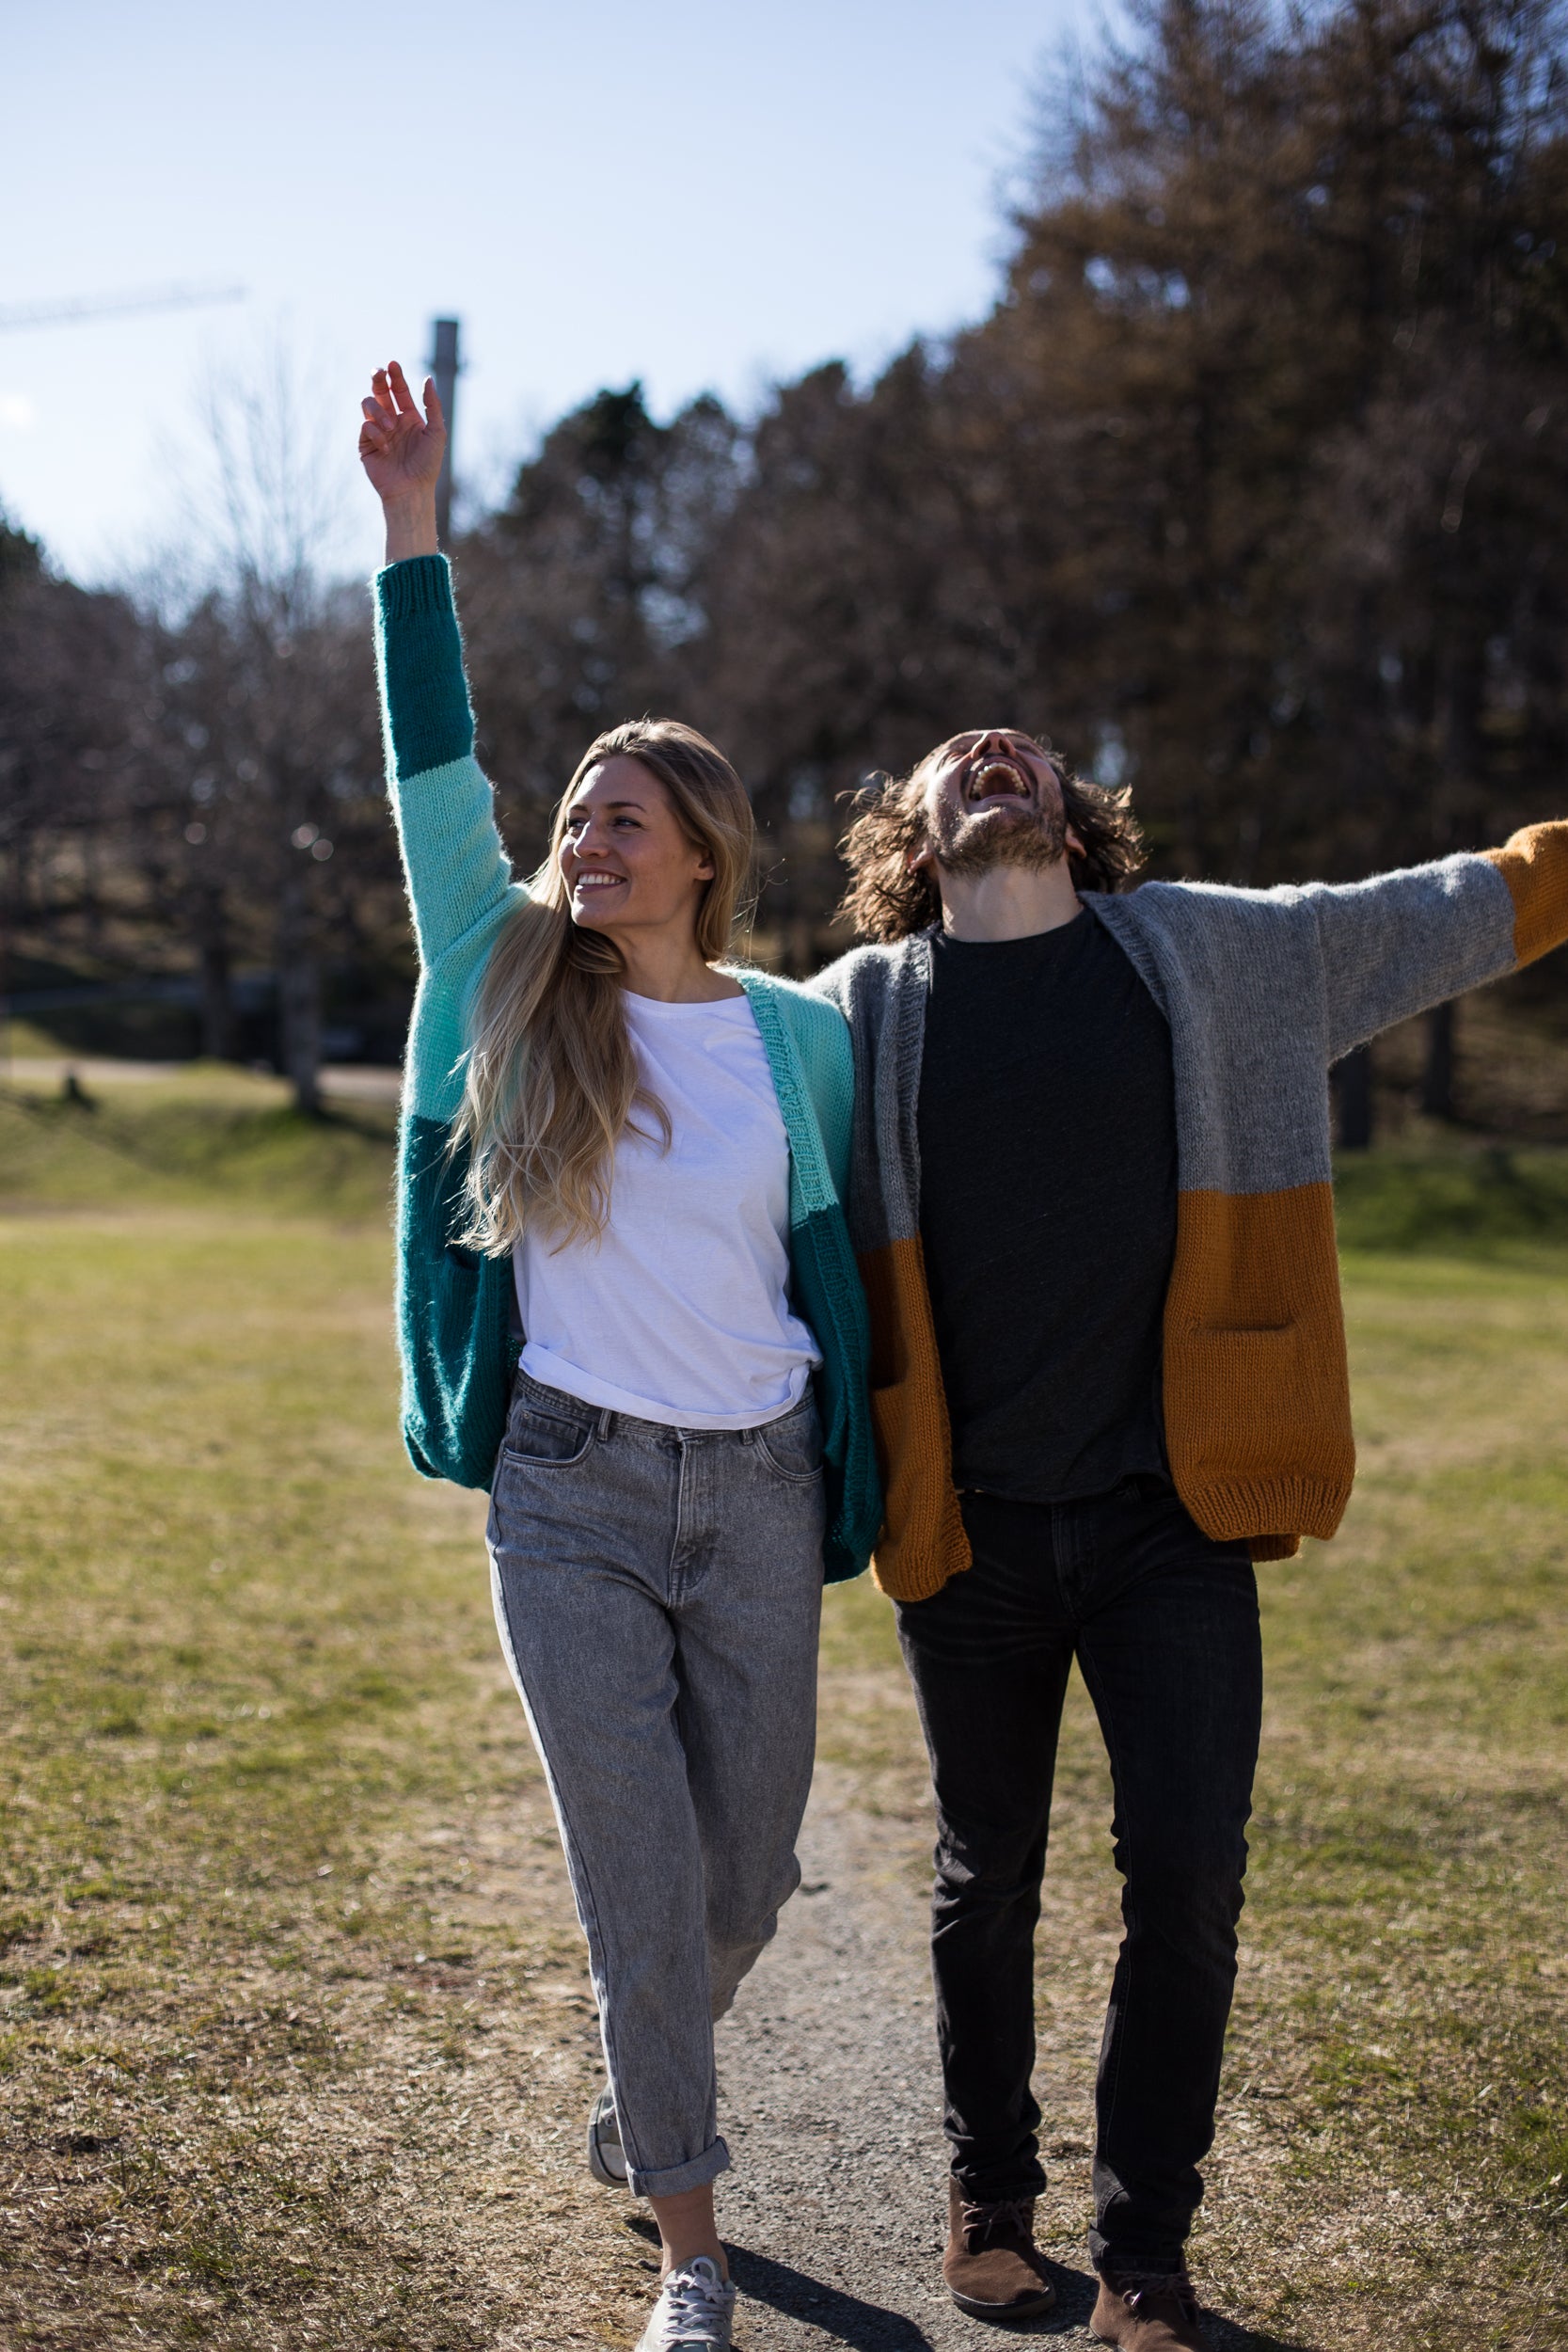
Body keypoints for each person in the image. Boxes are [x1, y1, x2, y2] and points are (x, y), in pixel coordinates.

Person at [812, 727, 1568, 2350]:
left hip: (1177, 1518)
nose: (998, 753)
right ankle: (990, 2202)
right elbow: (676, 1067)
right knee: (983, 1877)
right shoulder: (857, 1017)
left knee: (1192, 1886)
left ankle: (1146, 2255)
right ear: (918, 835)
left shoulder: (1224, 956)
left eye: (1026, 750)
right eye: (961, 755)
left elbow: (1460, 903)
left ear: (1074, 823)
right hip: (975, 1529)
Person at [358, 361, 879, 2352]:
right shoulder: (503, 980)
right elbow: (431, 773)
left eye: (625, 817)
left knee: (742, 1883)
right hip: (567, 1488)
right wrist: (415, 533)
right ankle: (691, 2247)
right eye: (576, 810)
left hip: (755, 1486)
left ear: (703, 856)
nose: (587, 835)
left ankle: (644, 2078)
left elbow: (867, 1265)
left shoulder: (795, 1038)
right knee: (641, 1891)